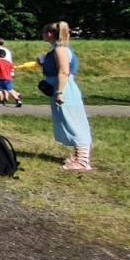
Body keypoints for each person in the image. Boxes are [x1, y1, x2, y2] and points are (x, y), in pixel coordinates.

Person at [42, 21, 93, 170]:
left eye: (44, 32)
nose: (43, 35)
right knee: (68, 120)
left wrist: (60, 92)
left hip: (64, 89)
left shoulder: (60, 50)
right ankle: (78, 156)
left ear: (50, 34)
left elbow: (64, 71)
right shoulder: (57, 49)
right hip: (60, 87)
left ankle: (83, 161)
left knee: (74, 122)